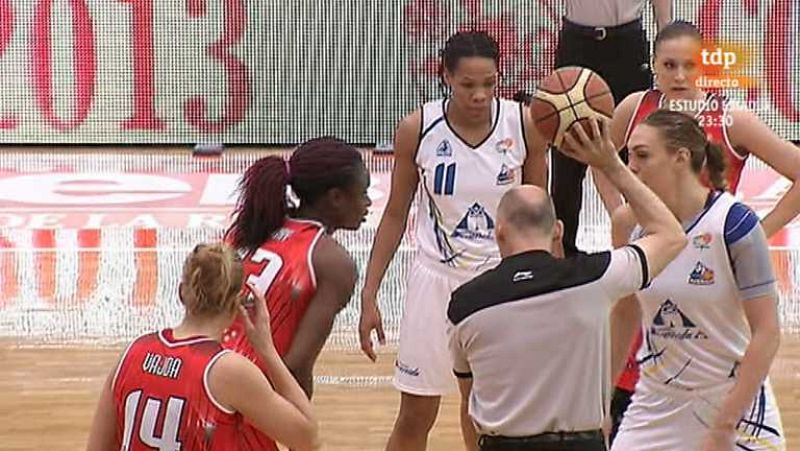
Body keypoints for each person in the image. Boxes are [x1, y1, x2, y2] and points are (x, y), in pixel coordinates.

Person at [603, 21, 800, 442]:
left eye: (688, 65)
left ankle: (731, 414)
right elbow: (605, 162)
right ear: (653, 65)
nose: (678, 76)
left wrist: (758, 233)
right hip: (659, 265)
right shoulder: (634, 109)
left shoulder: (730, 118)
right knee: (650, 345)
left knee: (719, 346)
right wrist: (621, 209)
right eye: (668, 65)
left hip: (713, 256)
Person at [358, 30, 549, 450]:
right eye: (467, 85)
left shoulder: (524, 124)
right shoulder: (418, 128)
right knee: (415, 414)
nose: (480, 95)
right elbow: (395, 214)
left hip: (499, 283)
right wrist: (369, 293)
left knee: (485, 414)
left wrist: (546, 292)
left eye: (489, 83)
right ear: (446, 77)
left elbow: (539, 216)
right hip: (435, 283)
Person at [447, 117, 686, 451]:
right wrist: (611, 165)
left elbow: (469, 403)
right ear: (557, 231)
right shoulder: (596, 278)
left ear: (499, 232)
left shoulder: (463, 306)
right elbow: (672, 235)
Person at [609, 110, 784, 450]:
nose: (631, 167)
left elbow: (767, 333)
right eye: (628, 156)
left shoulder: (734, 223)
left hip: (734, 402)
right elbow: (625, 314)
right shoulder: (628, 224)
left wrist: (723, 428)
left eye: (642, 155)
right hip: (656, 403)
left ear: (680, 158)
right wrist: (601, 401)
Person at [86, 243, 319, 451]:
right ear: (236, 304)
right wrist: (267, 350)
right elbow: (307, 438)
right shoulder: (228, 371)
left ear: (181, 292)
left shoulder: (132, 353)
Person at [222, 137, 371, 450]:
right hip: (242, 399)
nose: (368, 203)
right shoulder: (332, 262)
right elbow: (297, 367)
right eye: (363, 193)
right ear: (336, 197)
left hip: (197, 373)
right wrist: (299, 440)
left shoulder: (247, 228)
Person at [551, 0, 672, 257]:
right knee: (568, 152)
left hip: (627, 43)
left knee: (637, 148)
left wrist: (665, 35)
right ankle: (563, 257)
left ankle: (648, 247)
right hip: (577, 41)